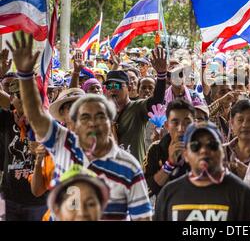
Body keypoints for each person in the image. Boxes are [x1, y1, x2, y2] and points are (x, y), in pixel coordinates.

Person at [7, 31, 152, 221]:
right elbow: (36, 117)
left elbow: (143, 218)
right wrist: (25, 76)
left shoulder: (129, 166)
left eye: (100, 116)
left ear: (110, 122)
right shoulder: (64, 145)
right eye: (85, 117)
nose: (92, 122)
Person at [154, 122, 250, 221]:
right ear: (185, 154)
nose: (203, 150)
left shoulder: (244, 195)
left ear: (222, 151)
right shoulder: (169, 193)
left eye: (212, 144)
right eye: (195, 146)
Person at [104, 48, 166, 163]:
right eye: (109, 86)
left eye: (117, 86)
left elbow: (156, 101)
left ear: (129, 87)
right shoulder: (104, 113)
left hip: (134, 174)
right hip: (112, 173)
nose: (112, 89)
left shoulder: (137, 108)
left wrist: (161, 76)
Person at [0, 78, 48, 220]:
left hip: (38, 201)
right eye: (20, 95)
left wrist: (44, 152)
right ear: (13, 99)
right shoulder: (7, 119)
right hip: (10, 199)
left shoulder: (48, 123)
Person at [143, 99, 195, 197]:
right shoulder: (156, 149)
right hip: (165, 210)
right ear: (167, 125)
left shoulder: (203, 149)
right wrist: (169, 163)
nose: (181, 129)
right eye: (175, 123)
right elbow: (147, 189)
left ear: (195, 124)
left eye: (187, 123)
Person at [224, 99, 250, 179]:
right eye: (240, 120)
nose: (245, 125)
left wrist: (249, 176)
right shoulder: (222, 151)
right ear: (231, 123)